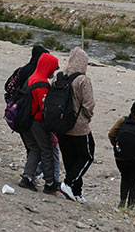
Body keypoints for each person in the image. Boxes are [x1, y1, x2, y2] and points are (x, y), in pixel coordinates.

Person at [58, 47, 96, 203]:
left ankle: (76, 191)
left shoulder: (59, 76)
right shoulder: (82, 80)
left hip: (60, 125)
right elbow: (89, 104)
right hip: (79, 127)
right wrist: (87, 117)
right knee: (87, 156)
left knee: (70, 158)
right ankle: (68, 184)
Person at [19, 52, 59, 194]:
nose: (53, 72)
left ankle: (27, 177)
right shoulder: (42, 84)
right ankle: (50, 183)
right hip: (36, 122)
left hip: (24, 120)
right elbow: (43, 109)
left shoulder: (31, 78)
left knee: (34, 149)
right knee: (46, 150)